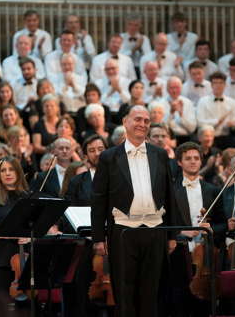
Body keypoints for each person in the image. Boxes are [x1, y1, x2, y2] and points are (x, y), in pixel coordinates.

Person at [91, 105, 176, 317]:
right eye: (137, 119)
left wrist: (172, 234)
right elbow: (99, 199)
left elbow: (169, 195)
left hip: (155, 230)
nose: (142, 124)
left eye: (146, 121)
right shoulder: (109, 157)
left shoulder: (160, 154)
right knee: (124, 292)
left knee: (151, 292)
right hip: (122, 231)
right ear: (125, 122)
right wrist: (98, 238)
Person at [167, 142, 221, 317]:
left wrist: (210, 228)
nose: (193, 162)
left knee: (204, 303)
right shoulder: (171, 191)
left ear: (201, 161)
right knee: (179, 299)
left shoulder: (213, 191)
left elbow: (224, 224)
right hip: (180, 252)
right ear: (179, 162)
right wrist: (181, 232)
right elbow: (161, 222)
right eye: (188, 158)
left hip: (206, 254)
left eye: (196, 158)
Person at [0, 156, 29, 311]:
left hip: (24, 259)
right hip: (0, 259)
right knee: (2, 306)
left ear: (18, 172)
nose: (7, 173)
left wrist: (29, 236)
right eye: (3, 170)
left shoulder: (28, 197)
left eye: (11, 169)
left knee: (26, 307)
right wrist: (5, 233)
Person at [196, 71, 235, 149]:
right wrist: (216, 121)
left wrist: (232, 124)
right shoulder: (203, 101)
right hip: (208, 138)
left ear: (225, 85)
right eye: (215, 83)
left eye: (221, 83)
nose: (218, 85)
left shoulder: (231, 102)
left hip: (226, 136)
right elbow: (200, 122)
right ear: (211, 85)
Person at [163, 76, 197, 144]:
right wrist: (171, 113)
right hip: (168, 139)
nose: (174, 91)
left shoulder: (188, 103)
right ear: (167, 89)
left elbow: (192, 129)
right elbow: (161, 127)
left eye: (177, 87)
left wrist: (181, 115)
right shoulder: (160, 103)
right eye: (172, 88)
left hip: (186, 138)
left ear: (181, 88)